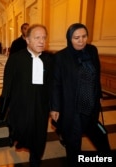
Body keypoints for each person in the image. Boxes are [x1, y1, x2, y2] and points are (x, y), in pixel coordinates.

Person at [50, 23, 111, 166]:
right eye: (76, 37)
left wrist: (99, 95)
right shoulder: (61, 57)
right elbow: (56, 85)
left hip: (90, 104)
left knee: (99, 135)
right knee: (73, 141)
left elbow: (96, 75)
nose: (81, 41)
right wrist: (55, 107)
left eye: (84, 36)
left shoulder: (92, 50)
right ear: (69, 38)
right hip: (72, 107)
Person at [1, 24, 53, 167]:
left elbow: (54, 86)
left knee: (39, 137)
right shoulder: (15, 59)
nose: (41, 41)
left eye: (44, 38)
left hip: (41, 108)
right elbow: (7, 86)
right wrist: (4, 109)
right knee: (22, 131)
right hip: (20, 106)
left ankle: (35, 160)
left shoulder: (50, 60)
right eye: (37, 38)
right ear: (27, 40)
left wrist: (54, 107)